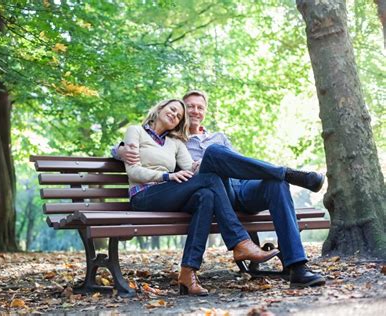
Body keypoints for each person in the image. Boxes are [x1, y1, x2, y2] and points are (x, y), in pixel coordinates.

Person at [114, 90, 326, 288]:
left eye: (200, 107)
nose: (195, 111)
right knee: (214, 153)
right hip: (215, 190)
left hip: (240, 187)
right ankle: (286, 172)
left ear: (205, 112)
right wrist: (119, 149)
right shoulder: (178, 140)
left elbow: (240, 164)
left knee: (276, 184)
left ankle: (297, 267)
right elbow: (136, 153)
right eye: (189, 107)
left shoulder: (219, 136)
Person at [122, 98, 280, 296]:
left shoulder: (176, 143)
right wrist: (167, 176)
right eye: (172, 110)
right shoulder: (135, 131)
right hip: (144, 195)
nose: (174, 115)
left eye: (179, 116)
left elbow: (192, 168)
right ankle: (240, 242)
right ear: (160, 108)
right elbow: (134, 171)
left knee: (206, 195)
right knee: (209, 183)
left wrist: (211, 161)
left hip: (169, 194)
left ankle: (188, 272)